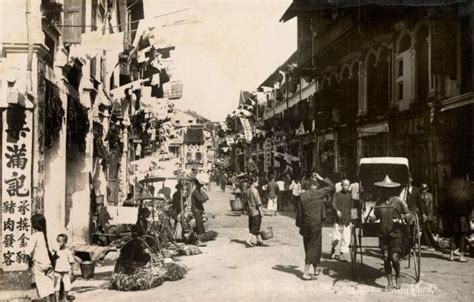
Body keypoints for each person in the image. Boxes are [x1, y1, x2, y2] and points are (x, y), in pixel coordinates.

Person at [371, 175, 410, 290]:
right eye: (383, 189)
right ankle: (389, 283)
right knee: (385, 257)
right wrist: (372, 218)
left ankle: (397, 277)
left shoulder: (398, 201)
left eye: (388, 189)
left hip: (396, 234)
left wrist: (401, 218)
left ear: (392, 190)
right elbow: (376, 215)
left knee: (394, 258)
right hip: (383, 234)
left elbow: (409, 216)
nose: (385, 191)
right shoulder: (379, 202)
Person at [299, 173, 334, 280]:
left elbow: (299, 213)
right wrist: (321, 177)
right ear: (318, 184)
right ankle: (305, 272)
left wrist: (300, 225)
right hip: (316, 224)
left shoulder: (302, 195)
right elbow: (331, 187)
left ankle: (315, 269)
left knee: (308, 245)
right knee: (314, 246)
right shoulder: (319, 193)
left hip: (305, 224)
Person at [26, 214, 55, 302]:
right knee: (50, 287)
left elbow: (27, 252)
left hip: (39, 264)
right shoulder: (48, 235)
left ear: (35, 225)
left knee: (42, 288)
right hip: (49, 263)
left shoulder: (34, 236)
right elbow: (54, 250)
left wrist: (29, 263)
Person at [330, 179, 353, 262]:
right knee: (336, 237)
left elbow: (352, 207)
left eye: (347, 185)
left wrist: (352, 219)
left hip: (347, 219)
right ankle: (333, 249)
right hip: (338, 219)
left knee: (346, 238)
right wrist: (336, 210)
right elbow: (333, 203)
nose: (346, 187)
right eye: (344, 185)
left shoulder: (349, 196)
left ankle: (342, 254)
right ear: (341, 185)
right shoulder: (336, 194)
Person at [54, 234, 76, 302]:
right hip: (57, 270)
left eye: (61, 241)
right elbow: (52, 260)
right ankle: (56, 300)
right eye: (58, 241)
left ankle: (65, 298)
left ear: (65, 242)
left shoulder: (67, 251)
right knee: (56, 287)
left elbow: (71, 261)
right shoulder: (55, 251)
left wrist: (72, 271)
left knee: (67, 285)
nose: (59, 243)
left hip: (66, 270)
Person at [246, 177, 265, 247]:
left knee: (253, 226)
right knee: (255, 227)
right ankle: (248, 240)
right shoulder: (255, 191)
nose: (258, 183)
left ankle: (258, 241)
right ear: (254, 182)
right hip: (256, 211)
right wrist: (261, 211)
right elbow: (258, 202)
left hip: (250, 211)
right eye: (257, 182)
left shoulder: (248, 191)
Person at [419, 183, 438, 251]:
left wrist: (424, 214)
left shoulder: (425, 196)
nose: (423, 190)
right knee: (426, 229)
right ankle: (422, 243)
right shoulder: (430, 195)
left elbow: (426, 206)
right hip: (430, 215)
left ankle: (431, 244)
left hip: (426, 216)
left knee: (427, 230)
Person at [192, 178, 209, 247]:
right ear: (197, 185)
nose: (201, 186)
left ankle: (198, 240)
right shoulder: (196, 191)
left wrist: (203, 192)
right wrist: (203, 194)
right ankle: (198, 241)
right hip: (196, 210)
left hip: (199, 210)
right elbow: (201, 199)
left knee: (200, 224)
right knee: (199, 225)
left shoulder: (198, 191)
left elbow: (206, 198)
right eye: (200, 185)